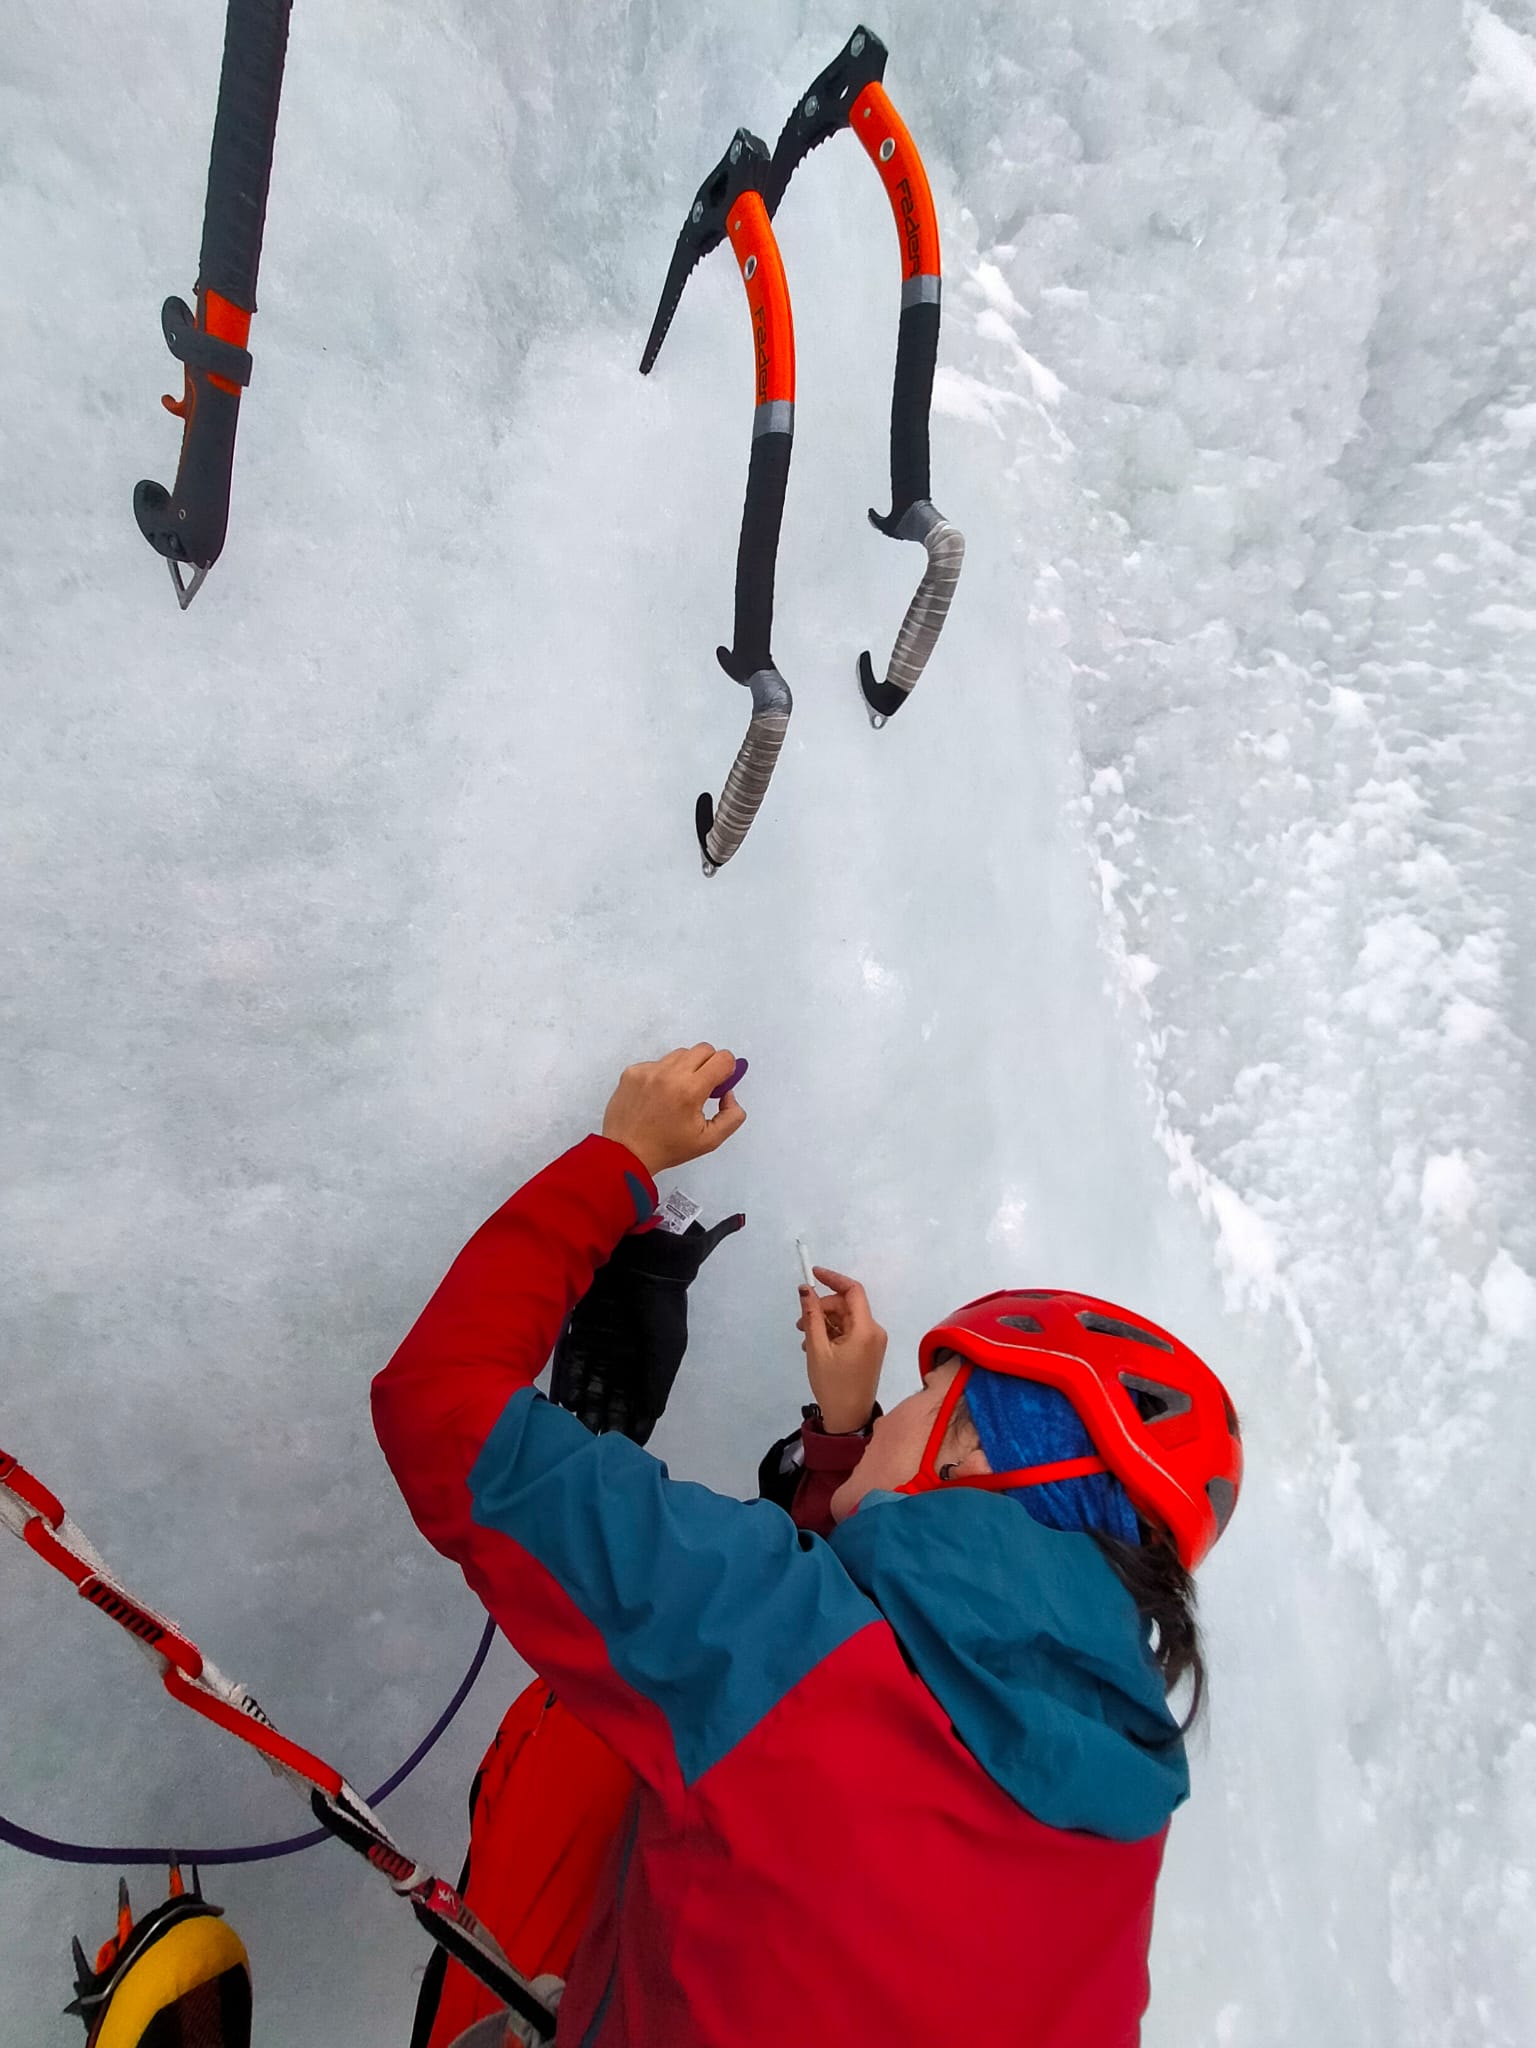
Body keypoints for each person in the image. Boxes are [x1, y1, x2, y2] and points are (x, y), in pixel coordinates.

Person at [373, 1044, 1243, 2048]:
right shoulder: (1119, 1816)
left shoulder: (766, 1633)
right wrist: (842, 1448)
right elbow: (865, 1708)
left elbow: (440, 1405)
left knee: (581, 1731)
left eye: (923, 1397)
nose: (894, 1411)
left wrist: (617, 1162)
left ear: (971, 1449)